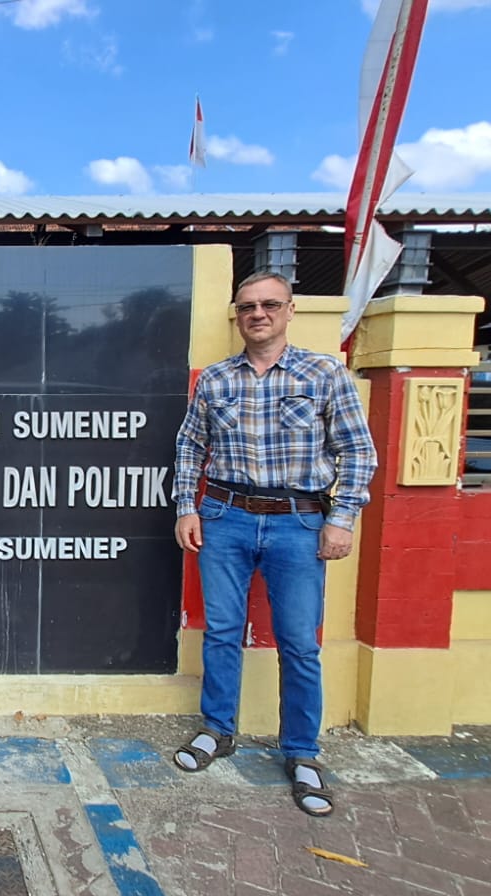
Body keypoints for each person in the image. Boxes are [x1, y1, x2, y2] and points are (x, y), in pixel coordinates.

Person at [170, 270, 377, 817]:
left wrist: (344, 518)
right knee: (221, 631)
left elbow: (358, 451)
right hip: (225, 517)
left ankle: (303, 752)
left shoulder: (325, 372)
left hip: (297, 521)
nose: (257, 314)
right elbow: (190, 446)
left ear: (289, 311)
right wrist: (187, 507)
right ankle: (218, 729)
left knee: (299, 643)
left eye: (268, 305)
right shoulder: (216, 380)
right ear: (236, 315)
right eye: (247, 307)